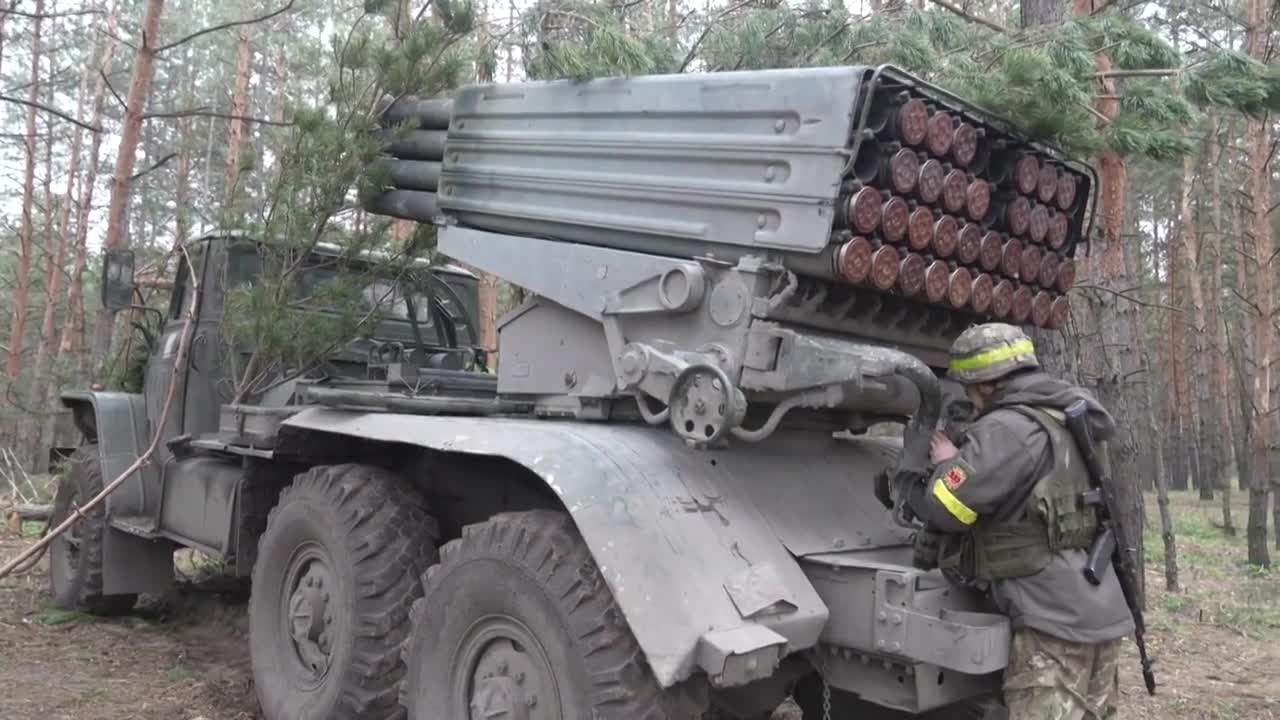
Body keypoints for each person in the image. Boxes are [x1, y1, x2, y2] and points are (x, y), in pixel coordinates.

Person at [905, 323, 1134, 720]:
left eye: (968, 387)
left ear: (985, 383)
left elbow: (947, 508)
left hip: (1052, 623)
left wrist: (946, 465)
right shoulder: (1065, 414)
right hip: (1096, 607)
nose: (968, 399)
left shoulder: (1008, 429)